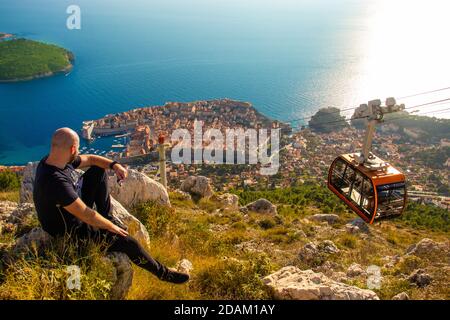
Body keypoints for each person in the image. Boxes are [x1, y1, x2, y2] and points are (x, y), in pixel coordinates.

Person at [33, 128, 189, 284]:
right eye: (78, 148)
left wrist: (115, 165)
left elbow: (92, 159)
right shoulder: (56, 182)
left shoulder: (54, 160)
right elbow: (86, 214)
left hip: (68, 211)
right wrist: (111, 227)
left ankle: (107, 216)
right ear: (73, 149)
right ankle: (164, 274)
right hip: (71, 230)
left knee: (98, 171)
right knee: (128, 242)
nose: (78, 152)